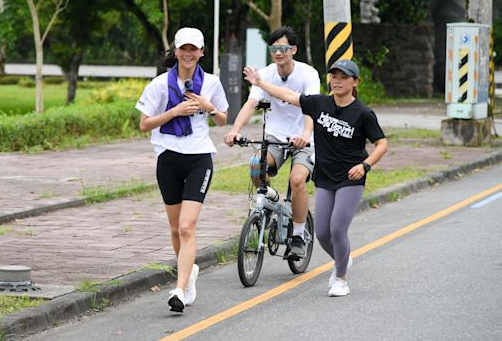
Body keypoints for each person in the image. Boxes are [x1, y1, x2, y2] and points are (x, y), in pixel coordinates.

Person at [243, 59, 388, 297]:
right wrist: (261, 83)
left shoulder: (363, 113)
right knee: (321, 233)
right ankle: (343, 259)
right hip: (325, 176)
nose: (338, 81)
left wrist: (365, 165)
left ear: (355, 81)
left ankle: (341, 278)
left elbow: (382, 144)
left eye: (344, 77)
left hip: (350, 177)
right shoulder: (320, 103)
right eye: (334, 76)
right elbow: (289, 95)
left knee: (337, 229)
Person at [135, 27, 229, 313]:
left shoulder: (211, 83)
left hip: (200, 158)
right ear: (175, 51)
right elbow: (144, 124)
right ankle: (189, 276)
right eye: (183, 49)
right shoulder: (160, 85)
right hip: (168, 158)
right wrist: (174, 112)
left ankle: (179, 287)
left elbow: (223, 120)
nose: (188, 54)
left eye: (194, 49)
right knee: (176, 228)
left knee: (187, 226)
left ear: (202, 52)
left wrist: (208, 107)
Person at [224, 26, 320, 259]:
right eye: (274, 48)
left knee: (297, 180)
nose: (278, 53)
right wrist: (234, 131)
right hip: (275, 138)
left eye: (283, 48)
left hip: (303, 139)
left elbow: (310, 107)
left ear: (293, 50)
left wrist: (306, 135)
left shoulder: (308, 74)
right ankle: (275, 199)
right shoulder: (265, 74)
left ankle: (298, 235)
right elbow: (251, 104)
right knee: (256, 166)